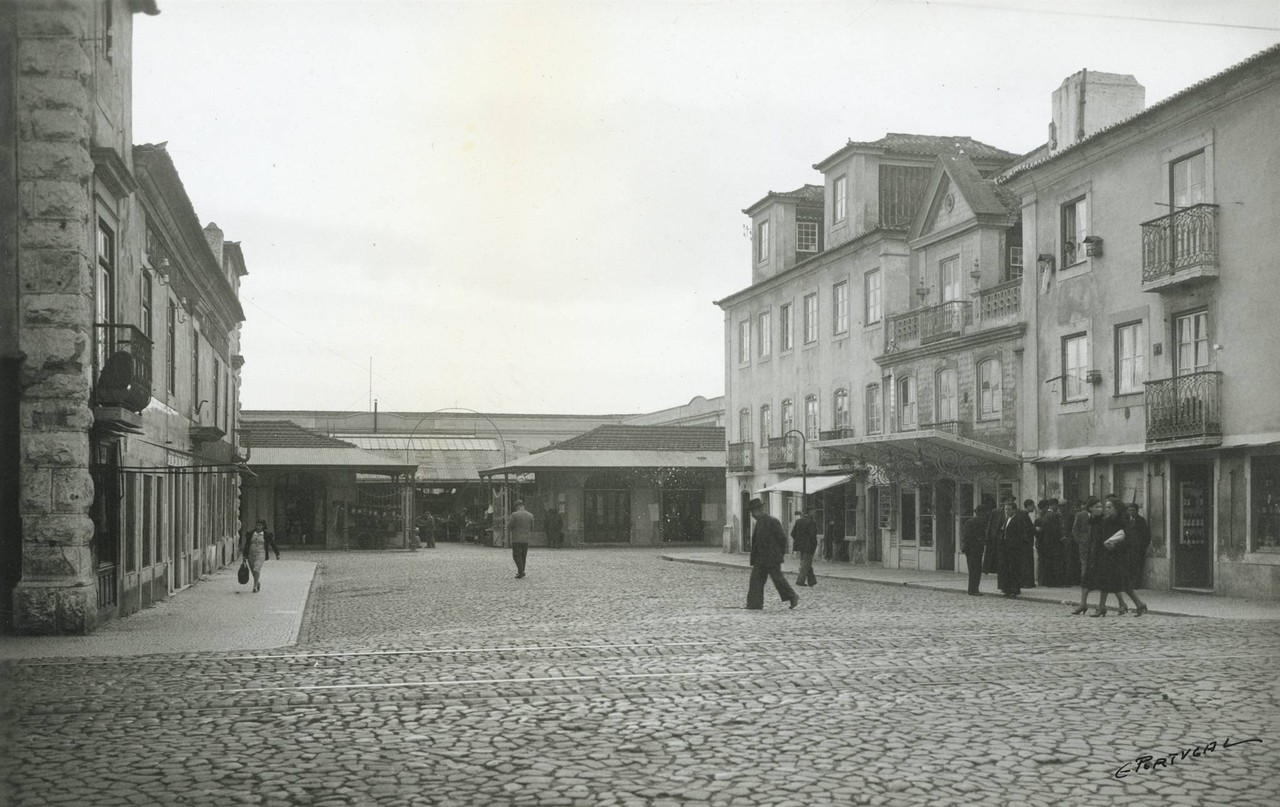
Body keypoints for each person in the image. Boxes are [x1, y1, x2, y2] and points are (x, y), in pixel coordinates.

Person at [1091, 498, 1146, 616]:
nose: (1107, 510)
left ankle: (1139, 604)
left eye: (1110, 507)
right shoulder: (1105, 521)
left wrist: (1116, 546)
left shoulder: (1123, 522)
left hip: (1119, 557)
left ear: (1116, 509)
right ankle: (1102, 607)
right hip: (1107, 555)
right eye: (1106, 507)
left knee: (1124, 584)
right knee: (1108, 582)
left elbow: (1129, 540)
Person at [746, 498, 799, 610]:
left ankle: (792, 596)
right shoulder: (759, 522)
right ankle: (754, 604)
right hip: (760, 558)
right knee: (755, 581)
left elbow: (782, 539)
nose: (752, 515)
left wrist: (778, 554)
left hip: (771, 557)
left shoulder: (772, 521)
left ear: (759, 510)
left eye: (753, 512)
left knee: (778, 579)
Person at [996, 499, 1035, 597]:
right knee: (1007, 569)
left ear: (1014, 510)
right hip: (1006, 548)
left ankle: (1015, 588)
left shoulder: (1018, 520)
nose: (1007, 511)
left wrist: (1017, 546)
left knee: (1014, 569)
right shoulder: (1007, 519)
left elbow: (1021, 535)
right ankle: (1008, 588)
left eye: (1009, 509)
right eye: (1006, 509)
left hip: (1014, 549)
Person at [240, 519, 280, 594]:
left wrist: (277, 554)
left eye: (260, 525)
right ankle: (257, 582)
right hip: (250, 554)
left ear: (263, 526)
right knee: (253, 570)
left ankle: (255, 586)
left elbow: (273, 544)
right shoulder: (251, 534)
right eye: (257, 525)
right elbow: (247, 545)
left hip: (261, 553)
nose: (258, 527)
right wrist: (244, 555)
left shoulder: (267, 535)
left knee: (256, 568)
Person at [961, 505, 989, 596]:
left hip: (974, 549)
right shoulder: (972, 522)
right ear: (980, 513)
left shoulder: (975, 522)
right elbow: (967, 537)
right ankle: (973, 589)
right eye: (984, 513)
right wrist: (979, 540)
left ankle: (973, 589)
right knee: (975, 569)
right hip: (972, 549)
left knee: (975, 569)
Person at [1126, 503, 1151, 590]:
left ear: (1137, 511)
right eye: (1129, 510)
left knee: (1137, 566)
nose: (1131, 512)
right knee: (1129, 566)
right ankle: (1129, 583)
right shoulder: (1126, 521)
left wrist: (1144, 546)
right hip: (1128, 548)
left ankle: (1136, 584)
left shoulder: (1141, 520)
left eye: (1133, 510)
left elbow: (1146, 534)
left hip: (1138, 548)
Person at [507, 500, 534, 578]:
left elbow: (509, 526)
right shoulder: (530, 515)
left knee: (516, 555)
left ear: (517, 506)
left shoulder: (514, 515)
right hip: (526, 539)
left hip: (516, 538)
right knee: (523, 556)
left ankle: (521, 571)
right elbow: (532, 527)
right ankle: (521, 571)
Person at [791, 509, 818, 587]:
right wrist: (813, 544)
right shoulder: (811, 522)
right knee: (806, 563)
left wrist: (799, 540)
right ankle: (800, 580)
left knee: (806, 562)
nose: (815, 513)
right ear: (809, 512)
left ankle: (812, 581)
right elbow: (813, 535)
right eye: (813, 512)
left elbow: (793, 533)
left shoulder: (798, 521)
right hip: (809, 546)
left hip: (801, 546)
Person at [1021, 498, 1039, 588]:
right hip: (1026, 543)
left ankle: (1028, 582)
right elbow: (1027, 529)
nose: (1034, 507)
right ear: (1028, 506)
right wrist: (1035, 529)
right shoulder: (1024, 515)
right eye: (1032, 506)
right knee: (1027, 562)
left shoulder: (1025, 515)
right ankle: (1027, 582)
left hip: (1027, 543)